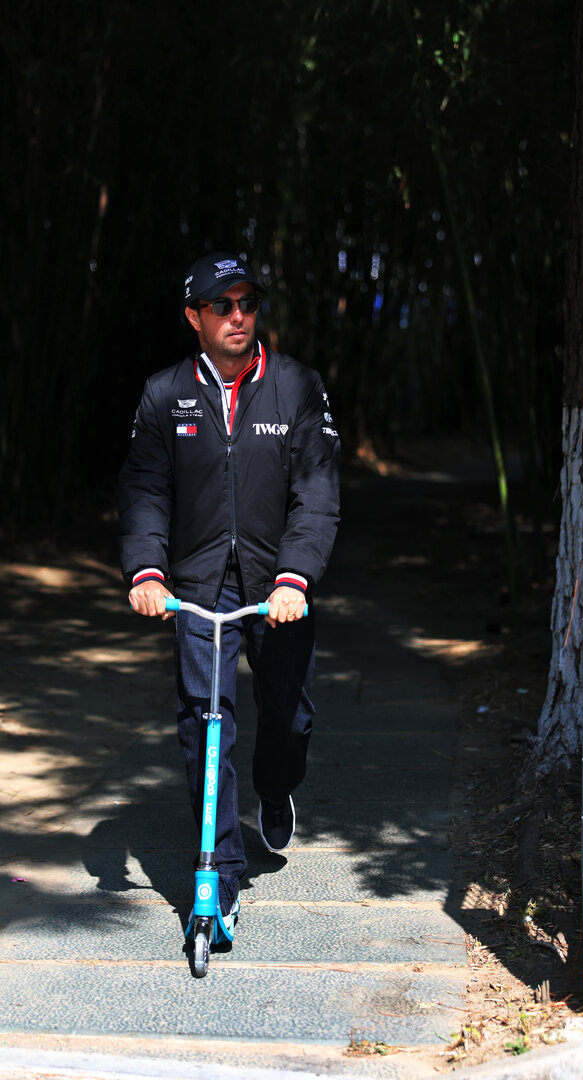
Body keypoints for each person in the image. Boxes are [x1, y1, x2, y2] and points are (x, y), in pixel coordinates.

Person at [118, 251, 340, 931]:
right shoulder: (164, 394)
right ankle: (221, 874)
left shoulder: (297, 387)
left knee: (290, 719)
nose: (238, 316)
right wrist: (147, 571)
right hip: (198, 585)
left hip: (276, 590)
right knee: (202, 725)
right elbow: (146, 490)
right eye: (223, 306)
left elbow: (317, 493)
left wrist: (295, 577)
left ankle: (275, 789)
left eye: (247, 303)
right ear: (194, 317)